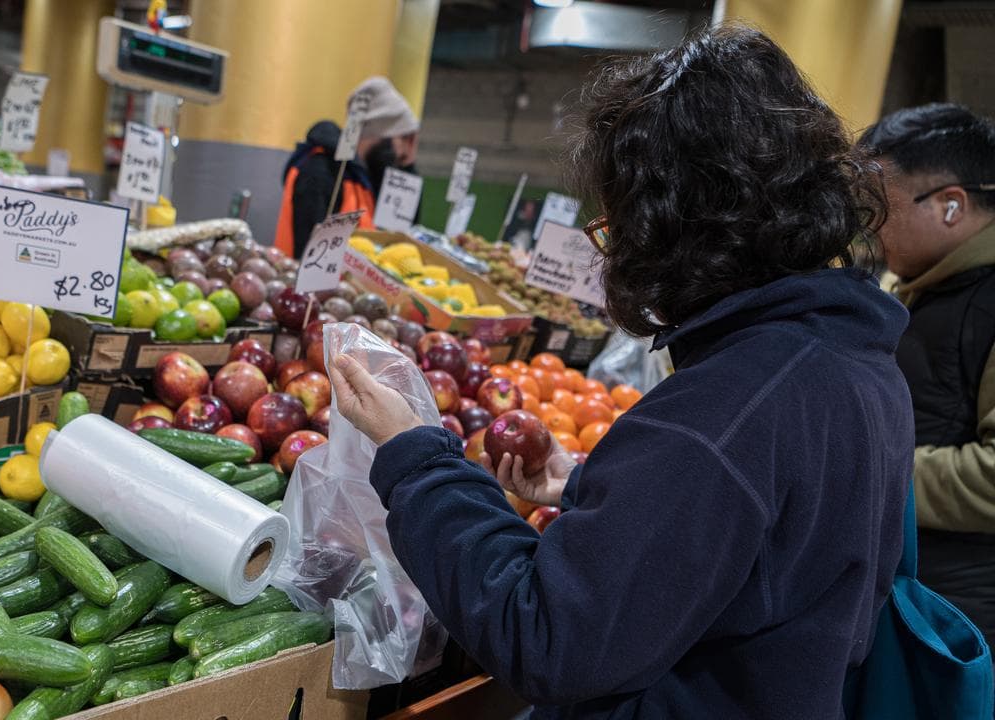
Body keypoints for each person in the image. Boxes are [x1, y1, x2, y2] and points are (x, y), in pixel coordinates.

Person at [329, 26, 911, 718]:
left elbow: (546, 636)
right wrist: (586, 484)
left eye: (618, 222)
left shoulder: (725, 412)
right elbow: (751, 545)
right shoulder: (856, 361)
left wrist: (416, 455)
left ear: (673, 221)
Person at [860, 104, 995, 649]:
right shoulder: (921, 286)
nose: (869, 227)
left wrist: (870, 465)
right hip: (912, 595)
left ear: (950, 206)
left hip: (962, 622)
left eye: (882, 209)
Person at [274, 76, 419, 258]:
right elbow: (311, 258)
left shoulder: (366, 177)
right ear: (383, 135)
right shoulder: (320, 171)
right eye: (403, 138)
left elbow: (402, 235)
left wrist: (408, 166)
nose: (404, 151)